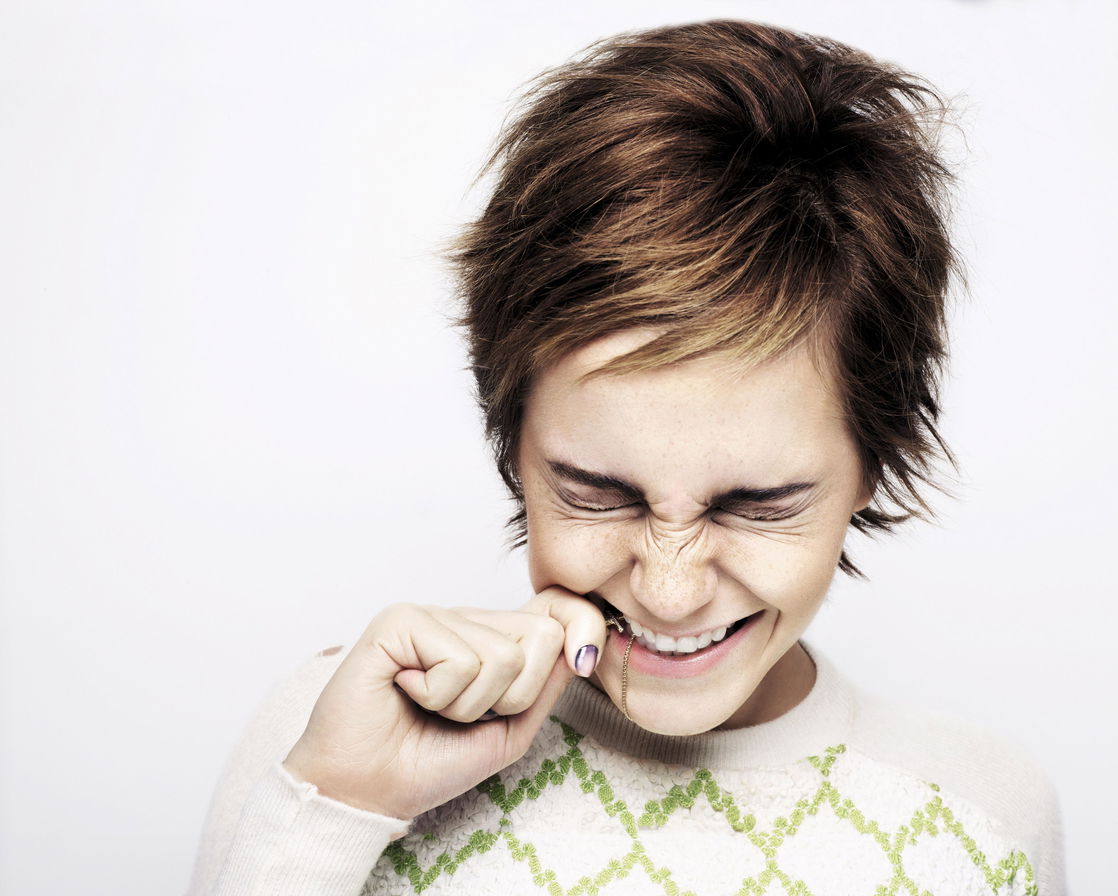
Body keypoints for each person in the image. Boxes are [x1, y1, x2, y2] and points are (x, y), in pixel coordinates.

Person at [188, 19, 1064, 895]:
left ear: (873, 460)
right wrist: (338, 806)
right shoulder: (336, 734)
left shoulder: (982, 823)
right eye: (598, 494)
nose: (669, 594)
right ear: (514, 445)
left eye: (757, 504)